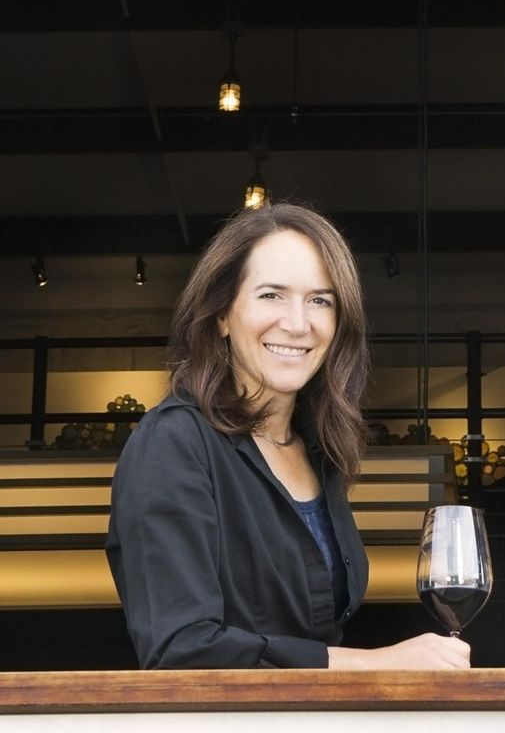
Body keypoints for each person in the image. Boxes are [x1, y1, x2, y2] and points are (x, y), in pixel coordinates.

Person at [106, 202, 469, 669]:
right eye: (271, 295)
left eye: (320, 300)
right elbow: (181, 651)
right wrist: (375, 663)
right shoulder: (173, 444)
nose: (298, 324)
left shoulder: (319, 452)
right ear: (221, 314)